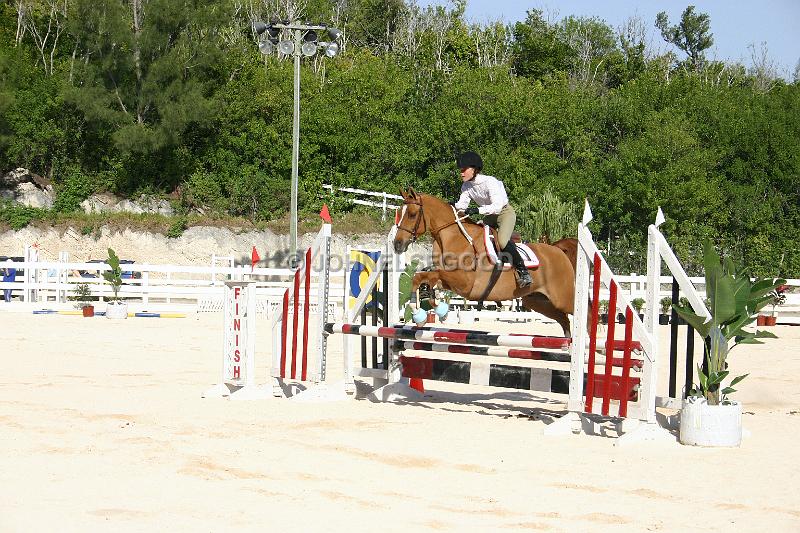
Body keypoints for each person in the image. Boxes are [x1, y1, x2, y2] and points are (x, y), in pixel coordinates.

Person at [453, 151, 532, 288]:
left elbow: (496, 207)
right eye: (461, 170)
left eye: (464, 169)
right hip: (489, 216)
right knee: (476, 237)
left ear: (474, 169)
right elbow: (461, 206)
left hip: (504, 213)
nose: (461, 173)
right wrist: (450, 206)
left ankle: (523, 271)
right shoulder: (466, 186)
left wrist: (477, 210)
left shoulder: (490, 182)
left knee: (501, 241)